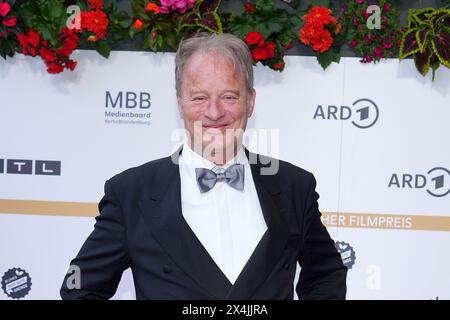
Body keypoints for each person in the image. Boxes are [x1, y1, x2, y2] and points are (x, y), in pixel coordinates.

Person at [60, 32, 347, 300]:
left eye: (229, 97)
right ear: (180, 103)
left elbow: (326, 273)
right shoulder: (131, 193)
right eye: (199, 98)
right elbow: (79, 288)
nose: (214, 112)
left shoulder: (294, 186)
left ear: (250, 102)